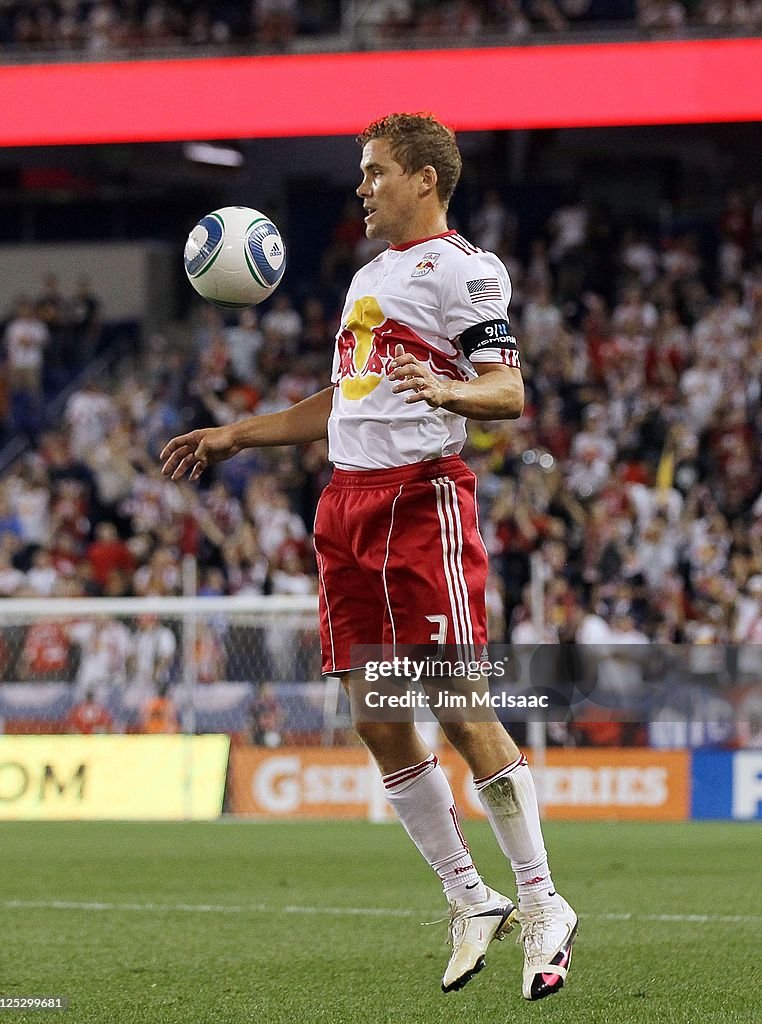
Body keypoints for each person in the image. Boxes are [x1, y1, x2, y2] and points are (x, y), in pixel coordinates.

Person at [161, 113, 576, 1001]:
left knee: (461, 712)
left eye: (377, 171)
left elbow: (507, 390)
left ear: (426, 179)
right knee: (377, 716)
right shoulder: (371, 277)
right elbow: (344, 398)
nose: (362, 186)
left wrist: (449, 387)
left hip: (420, 502)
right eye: (361, 171)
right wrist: (240, 433)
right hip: (346, 506)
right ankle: (471, 897)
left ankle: (544, 901)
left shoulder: (467, 270)